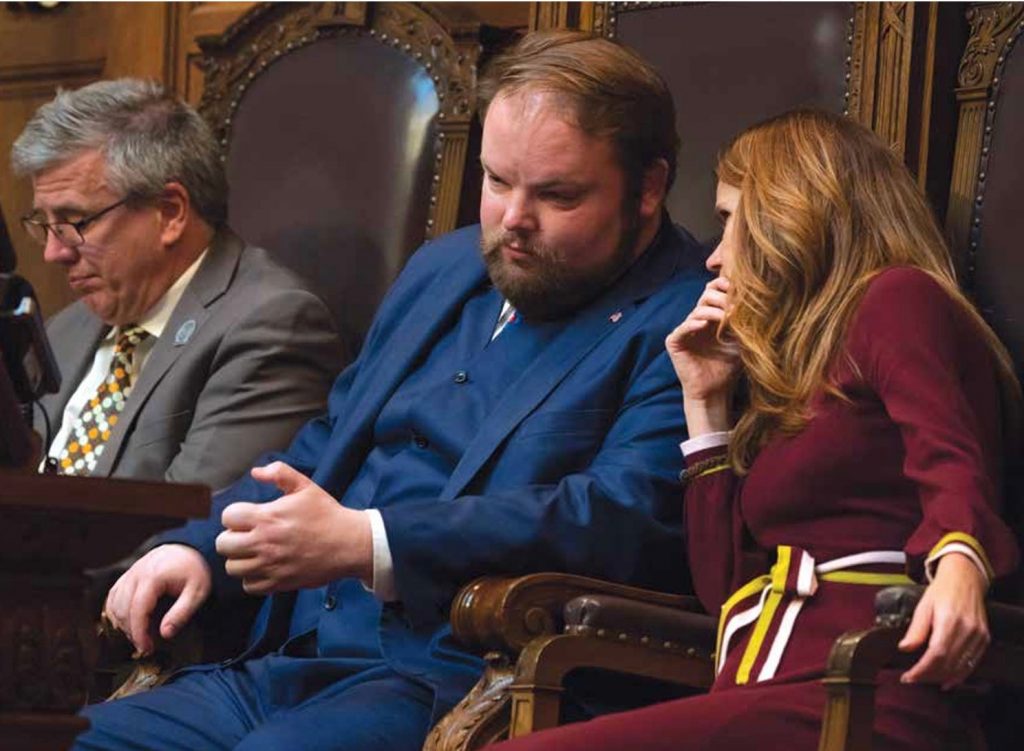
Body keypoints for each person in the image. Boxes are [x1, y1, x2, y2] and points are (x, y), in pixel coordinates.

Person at [75, 31, 710, 751]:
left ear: (649, 188)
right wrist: (199, 548)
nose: (512, 220)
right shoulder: (444, 267)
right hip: (289, 651)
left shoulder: (686, 318)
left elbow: (620, 516)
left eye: (557, 195)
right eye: (497, 181)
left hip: (456, 673)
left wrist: (369, 541)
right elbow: (323, 445)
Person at [489, 109, 1022, 750]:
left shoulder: (898, 297)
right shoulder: (792, 369)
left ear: (793, 213)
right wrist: (705, 405)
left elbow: (952, 459)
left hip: (865, 690)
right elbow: (724, 595)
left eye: (729, 220)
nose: (714, 257)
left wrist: (961, 563)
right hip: (761, 685)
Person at [11, 78, 345, 489]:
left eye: (74, 223)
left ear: (170, 212)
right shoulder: (68, 328)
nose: (53, 253)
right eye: (44, 225)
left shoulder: (272, 327)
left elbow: (194, 526)